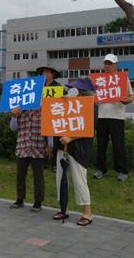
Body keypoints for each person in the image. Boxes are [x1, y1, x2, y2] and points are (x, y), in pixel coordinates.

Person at [53, 77, 95, 226]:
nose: (71, 91)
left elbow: (88, 129)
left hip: (79, 149)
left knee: (79, 180)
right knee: (60, 179)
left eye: (75, 89)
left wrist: (70, 138)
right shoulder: (63, 104)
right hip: (62, 147)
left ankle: (87, 212)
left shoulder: (90, 106)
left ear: (82, 93)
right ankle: (63, 208)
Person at [93, 54, 134, 182]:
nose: (107, 66)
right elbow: (94, 97)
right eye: (105, 63)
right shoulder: (99, 80)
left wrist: (127, 100)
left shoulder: (123, 79)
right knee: (101, 145)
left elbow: (131, 96)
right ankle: (101, 169)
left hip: (117, 117)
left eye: (110, 63)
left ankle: (122, 171)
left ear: (116, 65)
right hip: (102, 116)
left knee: (119, 145)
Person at [8, 100, 46, 212]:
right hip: (22, 146)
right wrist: (14, 116)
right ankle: (20, 199)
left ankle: (38, 202)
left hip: (38, 146)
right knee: (20, 175)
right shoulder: (19, 108)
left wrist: (50, 144)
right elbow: (13, 128)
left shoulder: (43, 107)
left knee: (38, 177)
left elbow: (48, 126)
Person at [36, 66, 63, 172]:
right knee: (42, 140)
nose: (44, 74)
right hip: (40, 115)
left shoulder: (58, 86)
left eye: (47, 72)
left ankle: (55, 163)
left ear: (52, 74)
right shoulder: (39, 86)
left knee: (54, 140)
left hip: (54, 115)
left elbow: (63, 101)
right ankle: (43, 162)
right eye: (43, 72)